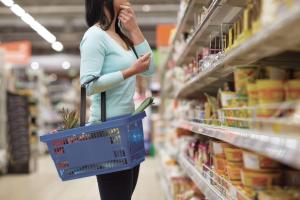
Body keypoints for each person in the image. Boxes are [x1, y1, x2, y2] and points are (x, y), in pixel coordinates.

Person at [80, 0, 155, 199]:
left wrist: (134, 28)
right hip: (107, 132)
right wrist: (131, 71)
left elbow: (150, 69)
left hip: (128, 127)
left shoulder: (122, 35)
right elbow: (89, 85)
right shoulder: (94, 36)